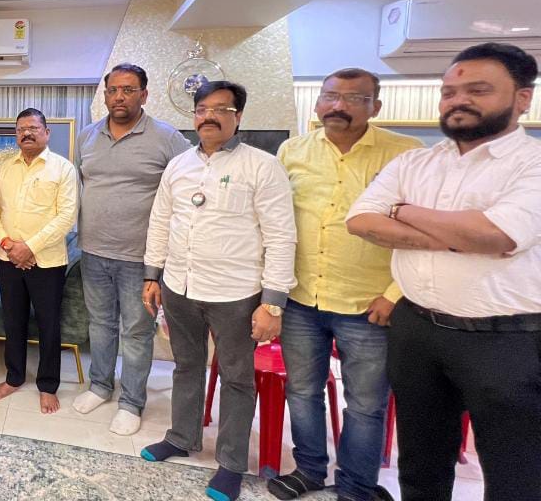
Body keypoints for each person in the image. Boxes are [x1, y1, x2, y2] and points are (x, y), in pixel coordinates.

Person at [347, 42, 541, 501]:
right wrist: (458, 235)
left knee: (515, 471)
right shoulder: (416, 162)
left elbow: (496, 235)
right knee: (421, 459)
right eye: (449, 92)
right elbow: (361, 221)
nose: (459, 101)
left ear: (522, 98)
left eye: (478, 90)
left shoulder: (532, 164)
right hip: (417, 329)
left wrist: (403, 211)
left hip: (505, 340)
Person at [268, 68, 421, 501]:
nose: (338, 106)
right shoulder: (292, 151)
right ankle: (309, 471)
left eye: (354, 98)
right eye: (330, 96)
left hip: (368, 304)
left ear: (376, 106)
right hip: (301, 298)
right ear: (318, 102)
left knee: (367, 405)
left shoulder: (405, 154)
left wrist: (394, 295)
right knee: (302, 392)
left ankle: (356, 486)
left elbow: (420, 235)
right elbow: (277, 223)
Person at [139, 81, 296, 501]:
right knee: (186, 366)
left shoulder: (262, 167)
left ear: (238, 116)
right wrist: (153, 275)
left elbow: (281, 236)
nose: (208, 116)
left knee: (237, 378)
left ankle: (230, 463)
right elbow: (160, 221)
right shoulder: (178, 165)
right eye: (202, 109)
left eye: (220, 109)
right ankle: (181, 437)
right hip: (180, 285)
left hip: (236, 293)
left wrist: (272, 303)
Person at [73, 63, 192, 435]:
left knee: (137, 332)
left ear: (144, 94)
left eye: (128, 90)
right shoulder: (88, 136)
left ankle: (131, 402)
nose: (119, 97)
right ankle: (100, 385)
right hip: (93, 252)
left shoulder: (166, 138)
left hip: (141, 259)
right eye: (112, 90)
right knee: (100, 325)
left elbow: (191, 183)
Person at [0, 108, 78, 413]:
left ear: (46, 133)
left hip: (47, 262)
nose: (26, 133)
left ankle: (48, 385)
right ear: (16, 135)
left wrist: (29, 248)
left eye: (33, 128)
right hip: (7, 258)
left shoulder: (63, 168)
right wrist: (8, 244)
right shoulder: (5, 168)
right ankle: (14, 377)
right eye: (21, 129)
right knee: (12, 320)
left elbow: (66, 217)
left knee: (48, 324)